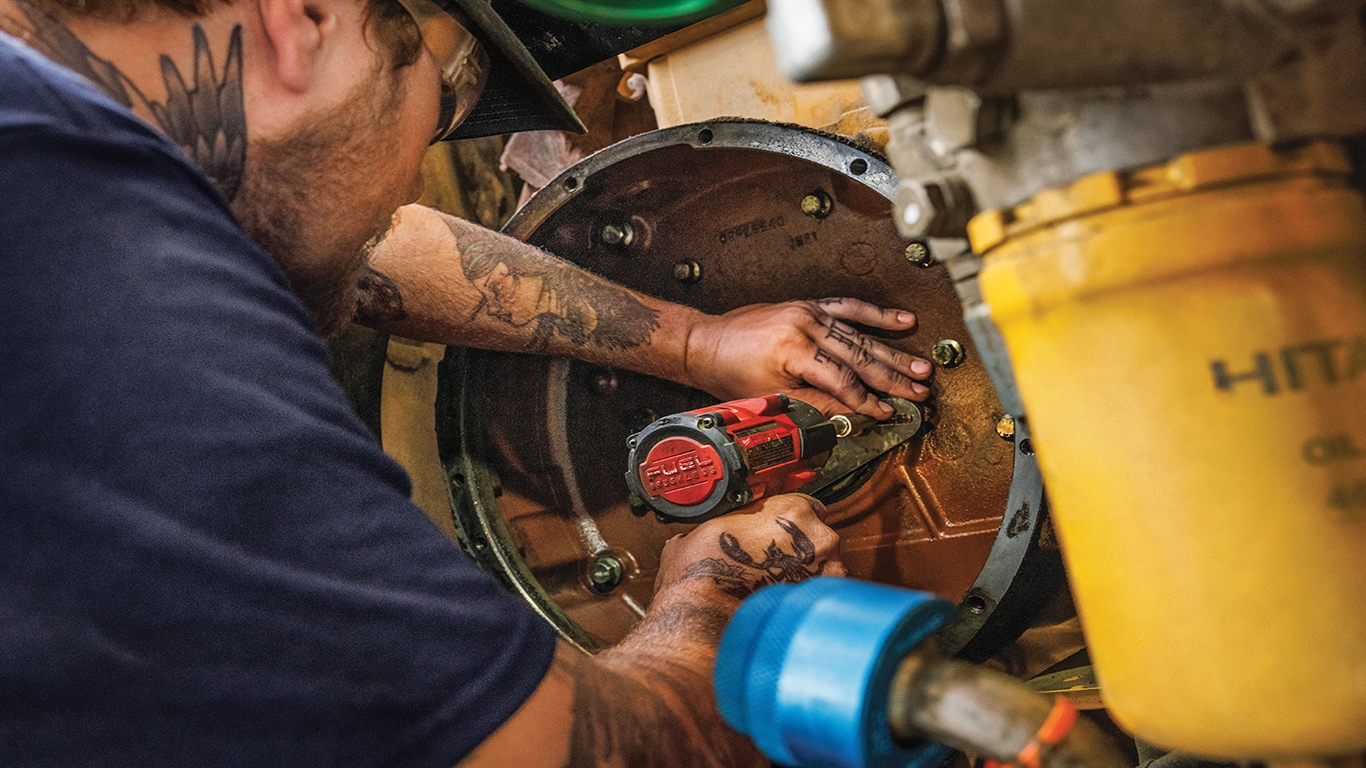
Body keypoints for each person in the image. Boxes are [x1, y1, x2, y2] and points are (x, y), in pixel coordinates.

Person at [0, 0, 933, 762]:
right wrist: (717, 598)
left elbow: (369, 236)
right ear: (304, 19)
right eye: (448, 100)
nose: (417, 166)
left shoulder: (60, 149)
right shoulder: (115, 296)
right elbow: (562, 755)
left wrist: (694, 342)